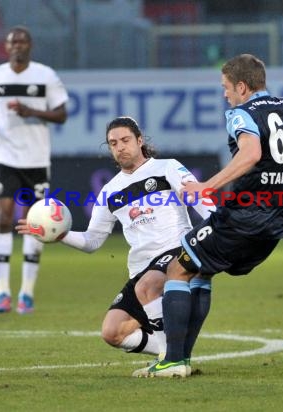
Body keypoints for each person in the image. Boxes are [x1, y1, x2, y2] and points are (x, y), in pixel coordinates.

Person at [134, 53, 283, 378]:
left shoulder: (240, 113)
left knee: (177, 269)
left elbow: (252, 153)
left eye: (226, 87)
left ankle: (172, 361)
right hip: (279, 220)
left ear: (241, 86)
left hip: (244, 215)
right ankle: (179, 360)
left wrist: (206, 186)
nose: (225, 94)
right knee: (200, 273)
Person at [16, 116, 214, 361]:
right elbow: (92, 241)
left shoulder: (167, 168)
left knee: (147, 286)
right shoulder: (109, 191)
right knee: (113, 332)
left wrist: (215, 227)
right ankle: (172, 349)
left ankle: (171, 358)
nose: (120, 147)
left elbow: (199, 198)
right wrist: (60, 234)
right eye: (113, 143)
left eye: (125, 140)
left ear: (140, 141)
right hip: (140, 266)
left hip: (176, 252)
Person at [0, 25, 69, 314]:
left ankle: (26, 293)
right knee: (3, 216)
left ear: (30, 45)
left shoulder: (45, 75)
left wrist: (32, 112)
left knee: (34, 222)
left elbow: (62, 113)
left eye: (23, 41)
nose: (17, 45)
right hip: (4, 156)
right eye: (12, 41)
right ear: (6, 47)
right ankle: (2, 292)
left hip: (36, 159)